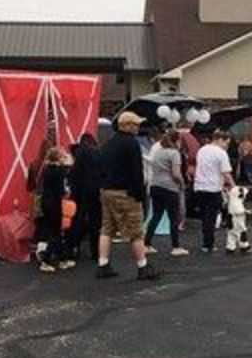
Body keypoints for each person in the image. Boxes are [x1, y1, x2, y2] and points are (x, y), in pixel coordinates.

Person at [97, 111, 162, 280]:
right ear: (127, 126)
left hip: (107, 191)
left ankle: (103, 264)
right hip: (125, 193)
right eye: (136, 124)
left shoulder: (108, 144)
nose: (138, 127)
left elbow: (100, 168)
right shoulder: (131, 144)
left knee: (107, 228)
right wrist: (139, 195)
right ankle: (143, 266)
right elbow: (136, 173)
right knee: (135, 231)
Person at [144, 130, 189, 257]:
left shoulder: (158, 152)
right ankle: (176, 247)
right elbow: (176, 173)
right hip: (169, 188)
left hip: (155, 186)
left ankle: (146, 244)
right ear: (176, 141)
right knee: (174, 218)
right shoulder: (174, 153)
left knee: (156, 215)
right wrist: (181, 183)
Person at [194, 129, 235, 253]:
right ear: (220, 140)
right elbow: (226, 173)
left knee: (204, 216)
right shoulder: (221, 153)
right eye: (226, 143)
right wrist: (234, 186)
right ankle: (208, 244)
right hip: (213, 188)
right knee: (211, 217)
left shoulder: (202, 150)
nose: (226, 146)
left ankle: (206, 242)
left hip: (200, 186)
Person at [39, 147, 76, 273]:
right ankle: (46, 259)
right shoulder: (58, 172)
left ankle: (61, 259)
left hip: (46, 202)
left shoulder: (47, 169)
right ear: (58, 158)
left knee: (54, 230)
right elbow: (62, 190)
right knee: (56, 232)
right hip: (54, 204)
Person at [70, 132, 103, 262]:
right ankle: (95, 251)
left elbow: (74, 173)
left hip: (80, 191)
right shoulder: (98, 153)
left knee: (78, 219)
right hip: (95, 191)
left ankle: (74, 247)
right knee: (96, 221)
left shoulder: (79, 153)